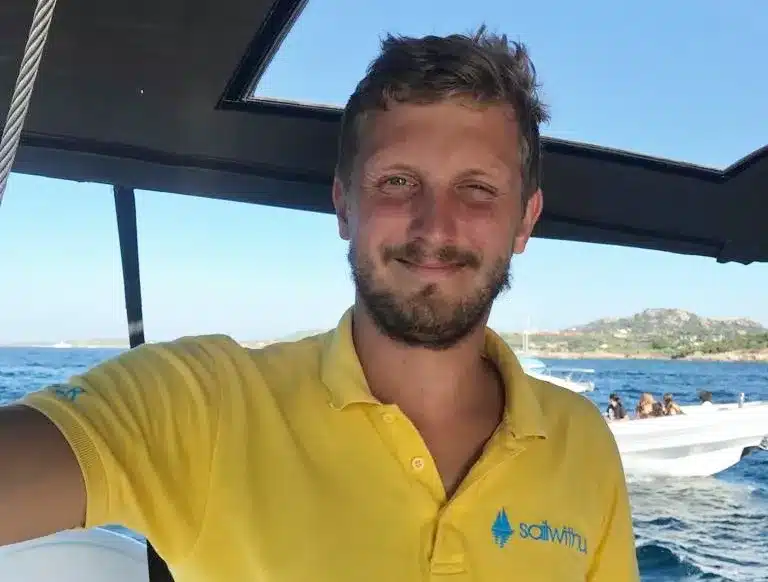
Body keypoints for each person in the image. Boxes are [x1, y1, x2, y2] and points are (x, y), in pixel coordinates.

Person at [0, 28, 639, 581]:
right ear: (343, 205)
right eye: (397, 182)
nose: (435, 227)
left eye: (477, 189)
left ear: (525, 221)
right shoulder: (205, 405)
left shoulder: (581, 442)